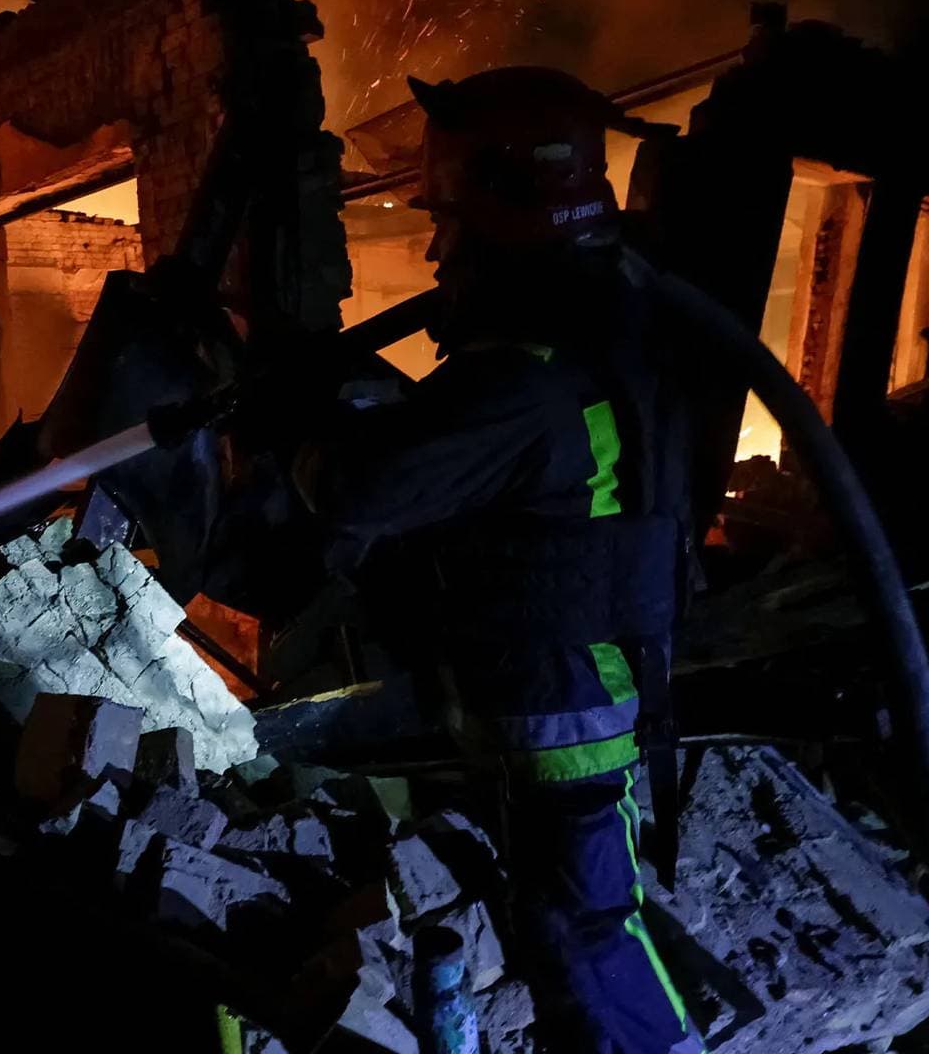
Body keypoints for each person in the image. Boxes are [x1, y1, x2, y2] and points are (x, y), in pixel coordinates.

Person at [291, 67, 706, 1053]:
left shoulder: (526, 378)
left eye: (448, 222)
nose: (434, 249)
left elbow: (365, 490)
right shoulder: (599, 336)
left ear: (511, 216)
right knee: (562, 924)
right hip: (575, 683)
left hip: (565, 694)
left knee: (588, 926)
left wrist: (307, 435)